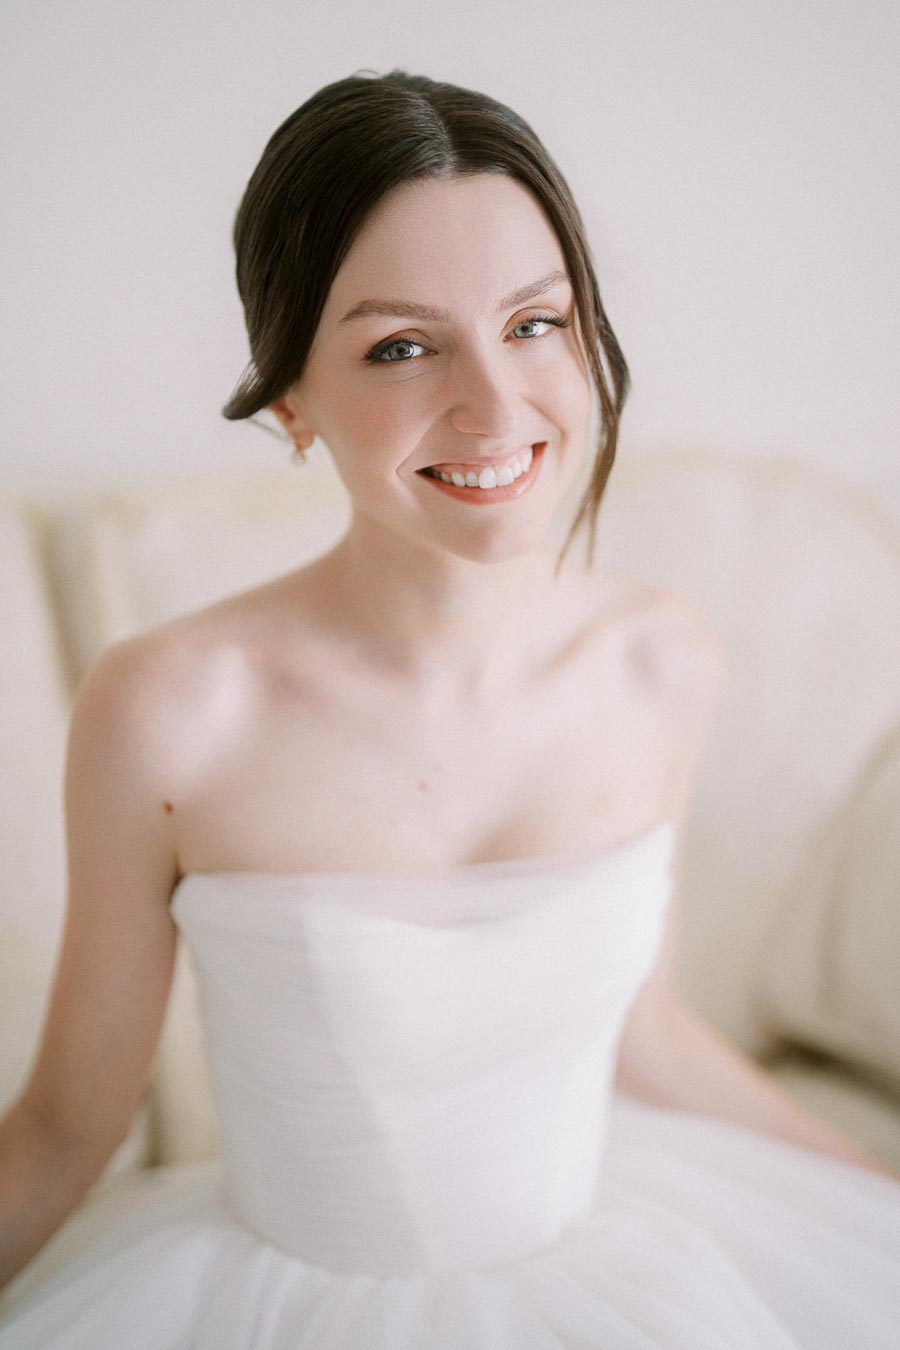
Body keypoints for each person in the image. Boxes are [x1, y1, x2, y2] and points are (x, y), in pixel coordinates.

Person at [0, 68, 898, 1348]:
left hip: (621, 1272)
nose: (494, 404)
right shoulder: (169, 713)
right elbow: (66, 1126)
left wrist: (876, 1200)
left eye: (535, 323)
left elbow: (646, 1030)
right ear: (292, 399)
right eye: (401, 347)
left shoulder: (661, 661)